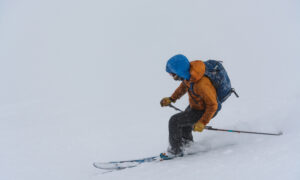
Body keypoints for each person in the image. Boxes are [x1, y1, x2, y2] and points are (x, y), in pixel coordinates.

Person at [160, 54, 220, 156]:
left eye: (172, 74)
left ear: (179, 71)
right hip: (197, 106)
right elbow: (183, 86)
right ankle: (187, 145)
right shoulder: (190, 76)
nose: (172, 77)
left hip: (205, 110)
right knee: (183, 122)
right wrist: (171, 99)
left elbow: (213, 105)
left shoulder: (201, 84)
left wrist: (202, 122)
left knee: (174, 121)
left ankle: (175, 151)